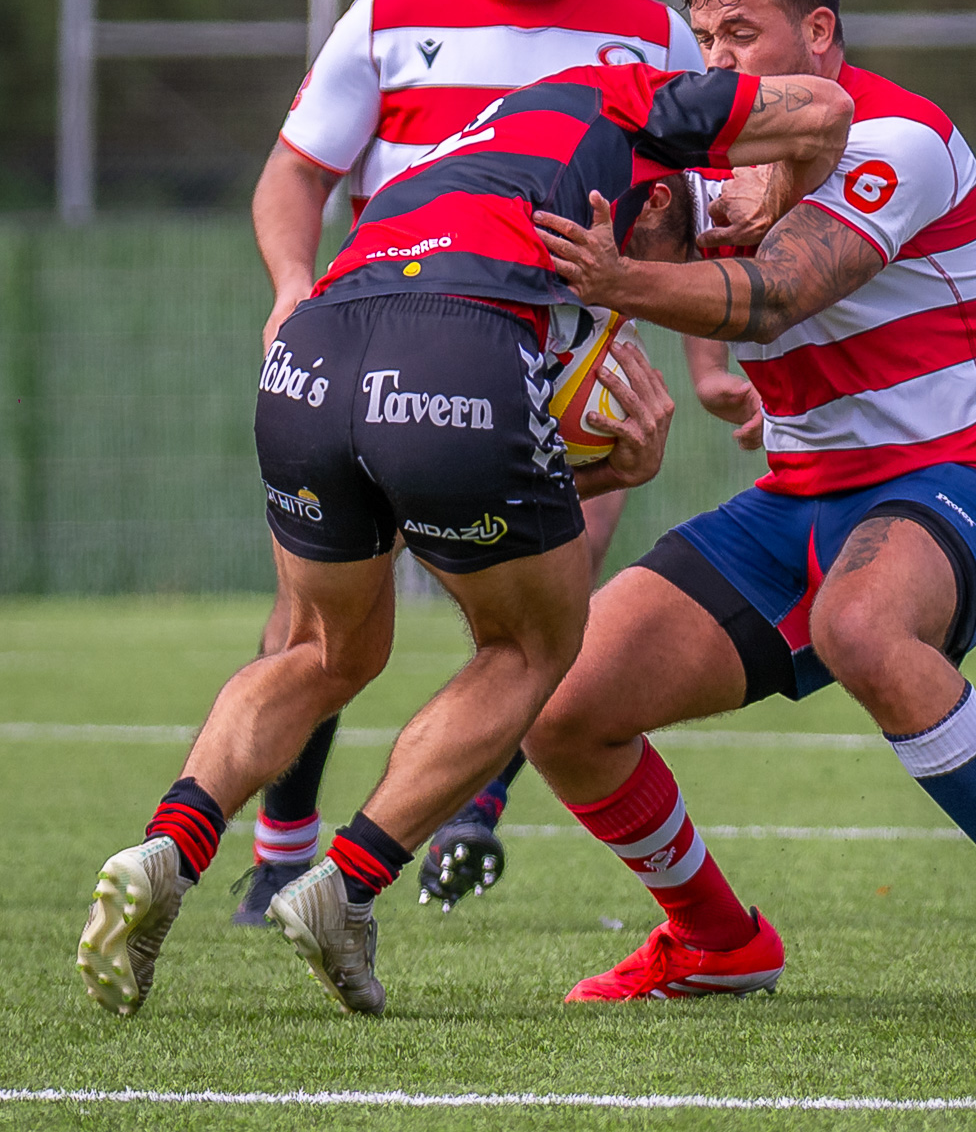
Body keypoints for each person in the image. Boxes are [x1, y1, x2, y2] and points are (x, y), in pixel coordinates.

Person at [76, 56, 852, 1020]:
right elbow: (826, 108)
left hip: (312, 354)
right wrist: (770, 192)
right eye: (696, 225)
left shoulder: (465, 162)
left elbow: (426, 494)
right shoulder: (632, 96)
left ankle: (169, 844)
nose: (684, 259)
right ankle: (347, 886)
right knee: (532, 650)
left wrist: (604, 465)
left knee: (324, 648)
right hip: (458, 346)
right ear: (663, 184)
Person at [525, 0, 976, 1021]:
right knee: (561, 708)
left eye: (742, 34)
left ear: (820, 33)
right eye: (703, 41)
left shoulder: (897, 143)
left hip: (970, 482)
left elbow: (775, 295)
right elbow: (666, 236)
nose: (718, 64)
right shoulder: (723, 152)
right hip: (800, 498)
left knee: (862, 625)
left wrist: (619, 282)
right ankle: (717, 941)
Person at [239, 0, 703, 925]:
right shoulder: (390, 17)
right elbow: (295, 173)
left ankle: (461, 817)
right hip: (388, 340)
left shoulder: (648, 36)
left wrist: (715, 360)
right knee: (317, 621)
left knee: (555, 595)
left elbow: (681, 218)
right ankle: (278, 849)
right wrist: (293, 287)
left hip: (566, 357)